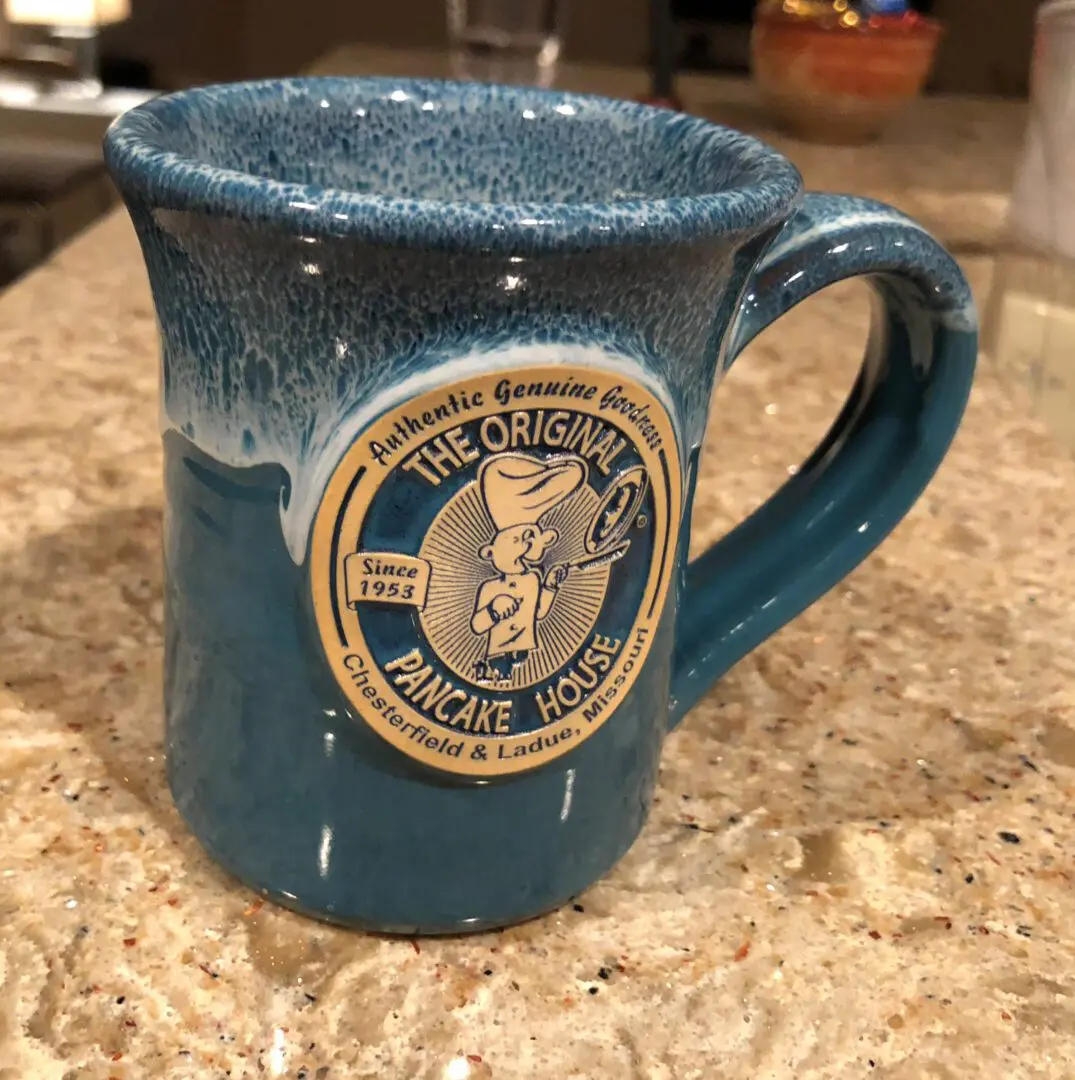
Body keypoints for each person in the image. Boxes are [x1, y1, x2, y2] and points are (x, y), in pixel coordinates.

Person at [470, 452, 586, 683]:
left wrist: (551, 585)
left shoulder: (533, 579)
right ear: (489, 552)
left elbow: (540, 612)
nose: (522, 546)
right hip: (497, 655)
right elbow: (477, 625)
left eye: (526, 539)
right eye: (515, 541)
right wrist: (493, 610)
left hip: (525, 652)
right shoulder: (489, 587)